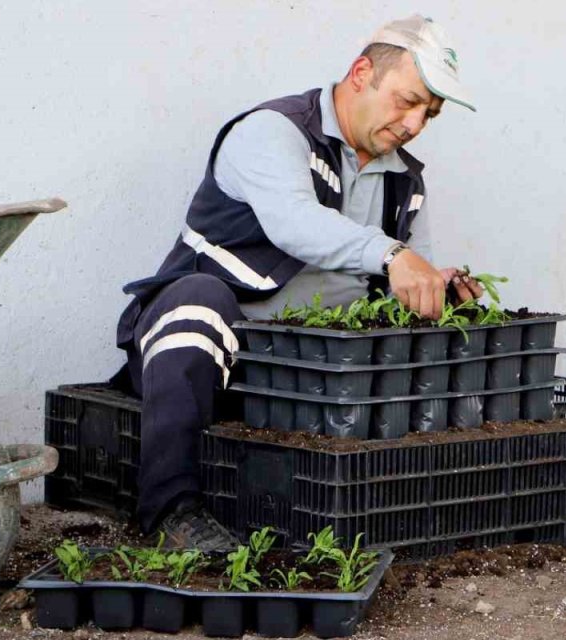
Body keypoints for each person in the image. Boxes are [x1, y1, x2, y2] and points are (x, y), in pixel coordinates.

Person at [114, 15, 484, 548]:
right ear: (361, 73)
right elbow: (294, 222)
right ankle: (172, 513)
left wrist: (436, 285)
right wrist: (393, 254)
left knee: (453, 329)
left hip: (303, 375)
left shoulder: (405, 178)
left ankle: (557, 484)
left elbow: (408, 273)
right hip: (214, 358)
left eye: (430, 113)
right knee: (198, 300)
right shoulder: (273, 130)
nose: (415, 124)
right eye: (407, 100)